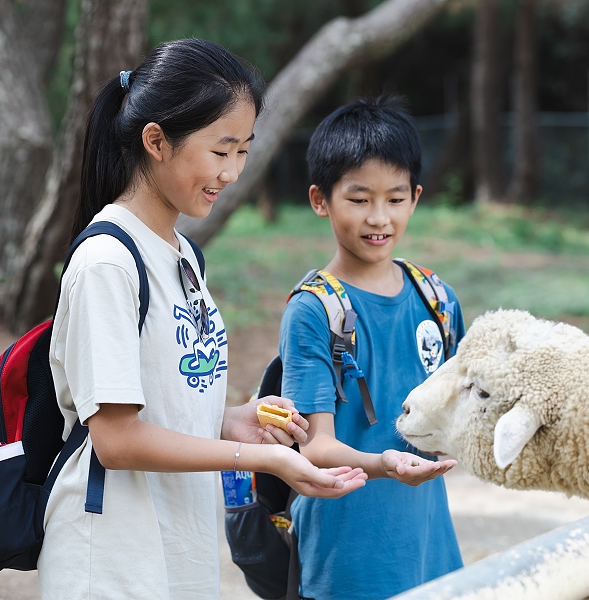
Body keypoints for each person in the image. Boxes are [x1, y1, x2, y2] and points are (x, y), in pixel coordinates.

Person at [40, 39, 367, 600]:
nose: (234, 172)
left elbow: (165, 395)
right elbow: (116, 439)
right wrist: (256, 457)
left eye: (243, 150)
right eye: (221, 151)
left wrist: (230, 418)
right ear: (156, 141)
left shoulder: (183, 254)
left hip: (180, 548)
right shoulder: (106, 263)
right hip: (114, 558)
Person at [278, 96, 465, 600]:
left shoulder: (437, 300)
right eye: (359, 199)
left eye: (395, 198)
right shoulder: (313, 311)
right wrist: (387, 464)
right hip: (347, 564)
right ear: (321, 200)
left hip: (432, 553)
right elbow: (316, 448)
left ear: (416, 197)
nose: (379, 217)